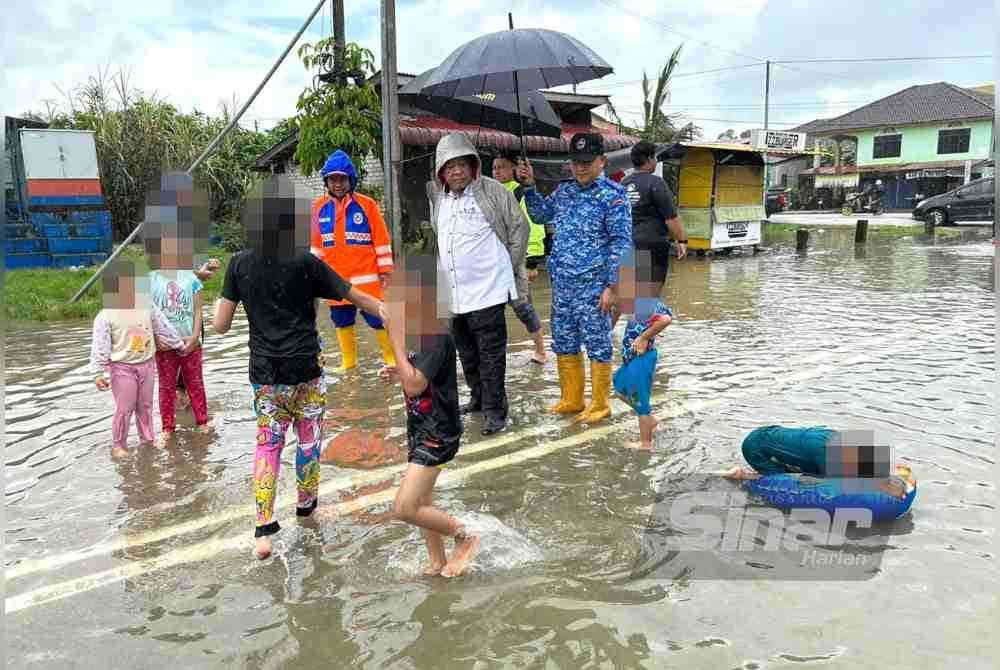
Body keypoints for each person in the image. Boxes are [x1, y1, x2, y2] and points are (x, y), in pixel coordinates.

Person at [212, 176, 390, 560]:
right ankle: (307, 510)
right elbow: (355, 295)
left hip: (265, 375)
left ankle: (262, 530)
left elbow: (221, 324)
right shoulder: (307, 262)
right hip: (307, 369)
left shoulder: (239, 264)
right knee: (308, 443)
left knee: (267, 446)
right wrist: (390, 311)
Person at [518, 132, 632, 425]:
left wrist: (612, 286)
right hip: (563, 284)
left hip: (595, 286)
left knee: (598, 342)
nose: (580, 167)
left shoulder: (614, 196)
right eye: (575, 162)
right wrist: (530, 186)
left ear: (602, 161)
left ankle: (600, 403)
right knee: (564, 341)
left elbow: (621, 243)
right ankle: (572, 398)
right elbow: (541, 215)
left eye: (587, 162)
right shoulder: (564, 191)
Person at [379, 253, 480, 578]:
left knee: (405, 507)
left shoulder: (433, 334)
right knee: (423, 500)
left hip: (438, 432)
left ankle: (465, 537)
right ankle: (437, 561)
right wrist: (399, 369)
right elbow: (419, 378)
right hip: (422, 427)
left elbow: (414, 385)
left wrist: (393, 337)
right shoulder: (420, 332)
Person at [427, 134, 529, 436]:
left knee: (491, 355)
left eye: (462, 165)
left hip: (488, 291)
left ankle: (496, 411)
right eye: (449, 166)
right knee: (467, 353)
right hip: (455, 293)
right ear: (440, 171)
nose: (456, 172)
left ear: (474, 166)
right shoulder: (438, 197)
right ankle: (478, 398)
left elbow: (519, 229)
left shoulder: (494, 192)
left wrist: (506, 270)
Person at [310, 150, 396, 372]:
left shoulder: (367, 205)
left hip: (367, 282)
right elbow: (316, 246)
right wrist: (311, 277)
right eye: (333, 179)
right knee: (341, 320)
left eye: (342, 179)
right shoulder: (318, 208)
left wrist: (386, 271)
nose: (337, 184)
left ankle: (391, 359)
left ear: (351, 180)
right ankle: (349, 364)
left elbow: (381, 240)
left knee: (379, 318)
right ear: (326, 181)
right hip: (334, 280)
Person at [91, 261, 185, 459]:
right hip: (122, 368)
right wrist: (98, 372)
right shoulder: (106, 315)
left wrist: (178, 344)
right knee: (125, 408)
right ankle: (119, 444)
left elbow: (163, 326)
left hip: (147, 365)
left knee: (145, 406)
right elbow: (100, 345)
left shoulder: (147, 306)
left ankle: (147, 439)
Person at [146, 216, 212, 444]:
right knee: (165, 387)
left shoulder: (192, 279)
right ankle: (167, 427)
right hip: (164, 345)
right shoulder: (150, 280)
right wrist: (155, 339)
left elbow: (198, 312)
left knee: (196, 383)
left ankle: (202, 422)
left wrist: (195, 337)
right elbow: (146, 316)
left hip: (191, 342)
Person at [722, 425, 914, 500]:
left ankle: (769, 465)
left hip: (767, 434)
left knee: (800, 465)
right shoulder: (828, 457)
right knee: (785, 478)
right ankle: (741, 475)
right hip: (755, 447)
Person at [492, 151, 547, 365]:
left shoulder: (519, 193)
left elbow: (532, 225)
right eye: (494, 167)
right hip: (492, 261)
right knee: (491, 309)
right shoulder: (487, 191)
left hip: (517, 259)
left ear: (514, 169)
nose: (497, 172)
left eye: (502, 167)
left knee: (523, 306)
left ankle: (540, 350)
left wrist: (532, 260)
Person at [612, 256, 673, 449]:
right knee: (620, 389)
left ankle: (646, 443)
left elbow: (665, 319)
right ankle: (650, 420)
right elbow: (618, 311)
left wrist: (644, 337)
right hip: (632, 358)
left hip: (642, 358)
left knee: (641, 402)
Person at [620, 141, 687, 295]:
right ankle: (643, 318)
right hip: (652, 246)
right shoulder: (656, 183)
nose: (656, 161)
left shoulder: (622, 184)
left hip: (626, 245)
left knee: (627, 293)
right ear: (650, 159)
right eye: (655, 158)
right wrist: (681, 240)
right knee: (647, 295)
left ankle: (611, 320)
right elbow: (671, 218)